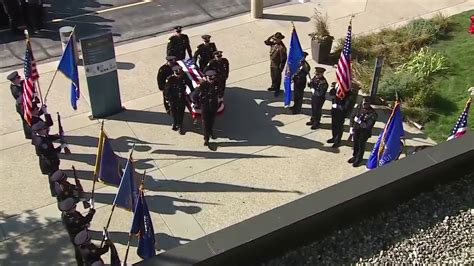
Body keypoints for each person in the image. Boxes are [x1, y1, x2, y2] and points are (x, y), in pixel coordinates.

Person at [31, 120, 64, 196]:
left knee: (55, 176)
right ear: (40, 131)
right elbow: (51, 152)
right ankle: (55, 192)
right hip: (49, 163)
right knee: (53, 178)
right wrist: (61, 147)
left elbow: (48, 138)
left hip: (49, 160)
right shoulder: (41, 142)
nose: (47, 129)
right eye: (45, 128)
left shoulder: (40, 136)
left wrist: (58, 136)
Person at [59, 198, 96, 265]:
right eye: (74, 206)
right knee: (83, 252)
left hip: (78, 234)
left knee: (79, 253)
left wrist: (85, 224)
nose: (75, 207)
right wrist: (92, 208)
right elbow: (86, 220)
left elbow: (81, 219)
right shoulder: (71, 219)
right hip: (78, 237)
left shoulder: (70, 213)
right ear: (69, 209)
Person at [348, 97, 378, 167]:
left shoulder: (373, 114)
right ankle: (354, 156)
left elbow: (368, 126)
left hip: (364, 133)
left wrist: (359, 121)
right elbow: (352, 116)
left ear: (369, 104)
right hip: (356, 130)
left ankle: (358, 159)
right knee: (355, 144)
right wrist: (351, 126)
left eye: (366, 104)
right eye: (363, 103)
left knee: (361, 146)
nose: (364, 105)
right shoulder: (359, 107)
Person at [164, 65, 192, 135]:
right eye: (177, 74)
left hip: (181, 97)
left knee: (181, 112)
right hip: (173, 98)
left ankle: (180, 125)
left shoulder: (184, 77)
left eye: (180, 73)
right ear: (174, 73)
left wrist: (192, 91)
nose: (178, 75)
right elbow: (167, 91)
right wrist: (167, 99)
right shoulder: (170, 79)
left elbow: (189, 84)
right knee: (174, 112)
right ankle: (175, 122)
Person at [199, 70, 220, 146]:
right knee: (205, 123)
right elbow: (196, 96)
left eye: (213, 78)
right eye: (210, 78)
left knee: (211, 121)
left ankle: (211, 132)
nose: (211, 80)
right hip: (205, 106)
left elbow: (219, 92)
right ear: (206, 78)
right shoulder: (203, 85)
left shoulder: (217, 83)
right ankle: (206, 139)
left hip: (214, 105)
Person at [264, 32, 287, 97]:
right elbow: (266, 42)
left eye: (276, 39)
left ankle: (277, 89)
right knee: (273, 76)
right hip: (272, 63)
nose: (274, 40)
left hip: (277, 65)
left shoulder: (282, 48)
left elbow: (284, 59)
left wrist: (281, 68)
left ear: (280, 39)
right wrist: (271, 36)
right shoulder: (274, 44)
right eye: (274, 38)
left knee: (277, 78)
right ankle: (273, 86)